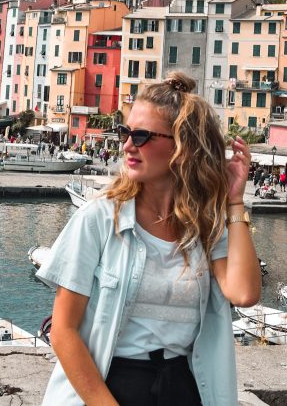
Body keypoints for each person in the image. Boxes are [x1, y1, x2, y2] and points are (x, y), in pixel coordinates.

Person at [37, 73, 261, 405]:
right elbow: (63, 331)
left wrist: (234, 201)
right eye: (125, 132)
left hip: (184, 388)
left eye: (141, 136)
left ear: (183, 146)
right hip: (110, 387)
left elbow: (243, 293)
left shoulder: (205, 227)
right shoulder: (98, 219)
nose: (127, 145)